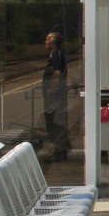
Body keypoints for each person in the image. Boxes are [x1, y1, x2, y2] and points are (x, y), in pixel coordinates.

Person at [43, 31, 70, 160]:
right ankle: (62, 147)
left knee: (53, 120)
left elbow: (57, 73)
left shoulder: (55, 55)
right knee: (58, 119)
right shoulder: (57, 54)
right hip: (58, 94)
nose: (45, 42)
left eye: (47, 40)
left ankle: (58, 149)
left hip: (55, 95)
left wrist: (51, 89)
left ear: (53, 43)